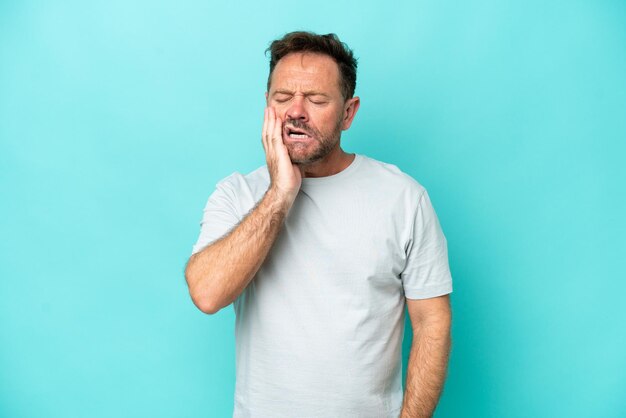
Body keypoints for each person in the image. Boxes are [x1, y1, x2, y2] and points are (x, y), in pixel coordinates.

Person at [185, 31, 453, 418]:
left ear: (348, 112)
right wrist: (280, 193)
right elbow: (207, 295)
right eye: (282, 98)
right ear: (267, 105)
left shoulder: (403, 198)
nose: (296, 111)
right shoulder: (238, 193)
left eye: (315, 99)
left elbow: (432, 321)